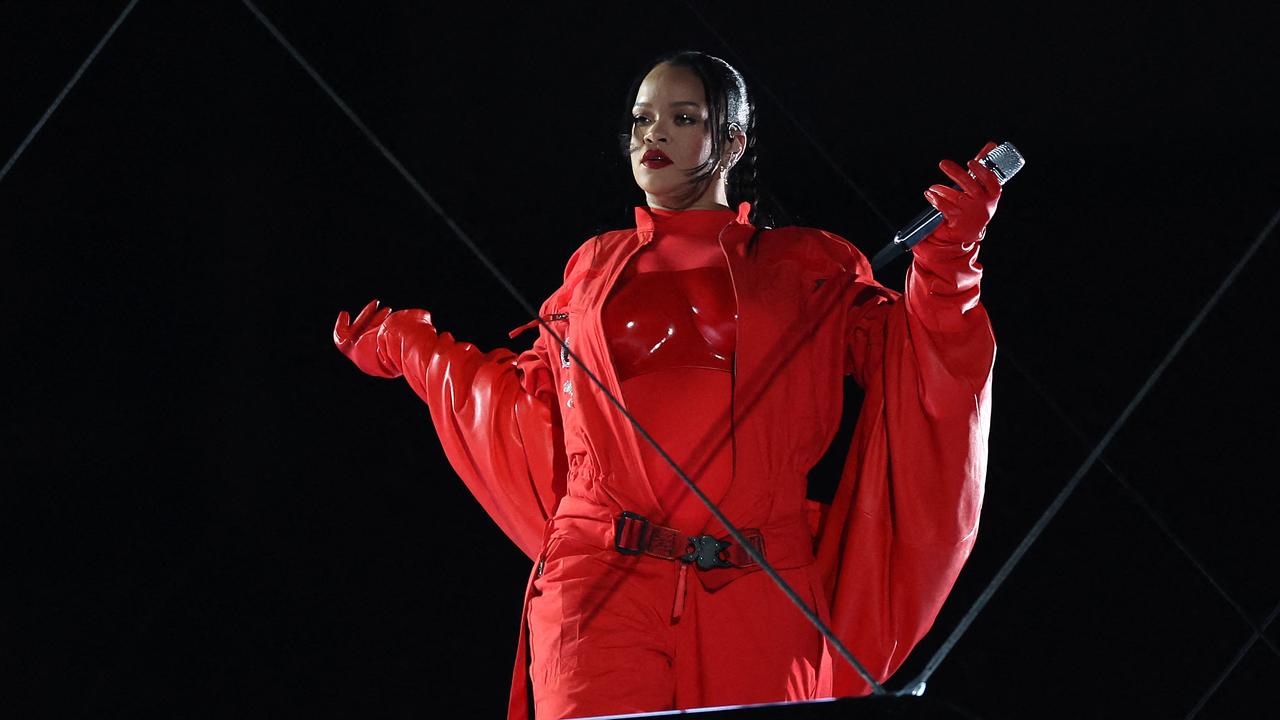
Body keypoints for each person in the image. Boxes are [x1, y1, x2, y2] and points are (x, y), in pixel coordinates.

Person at [333, 50, 1000, 720]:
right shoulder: (591, 265)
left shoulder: (809, 263)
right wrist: (407, 348)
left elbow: (920, 359)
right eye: (642, 119)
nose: (652, 134)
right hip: (599, 582)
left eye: (683, 118)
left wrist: (950, 264)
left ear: (733, 142)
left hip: (759, 585)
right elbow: (522, 400)